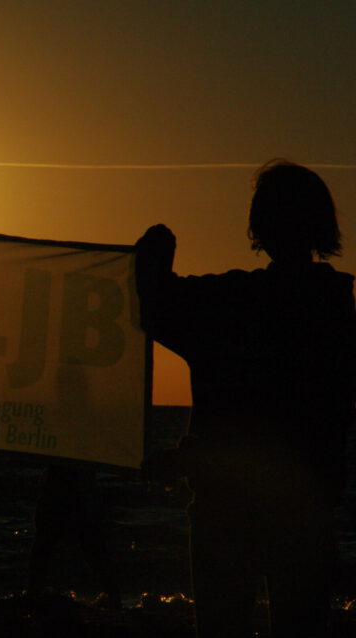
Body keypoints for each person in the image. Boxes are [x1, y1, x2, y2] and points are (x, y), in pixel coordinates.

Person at [135, 160, 356, 638]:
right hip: (307, 509)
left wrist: (155, 250)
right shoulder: (338, 311)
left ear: (257, 226)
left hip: (226, 510)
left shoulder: (231, 304)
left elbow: (150, 301)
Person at [27, 465, 122, 609]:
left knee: (44, 548)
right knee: (92, 548)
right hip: (71, 491)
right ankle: (114, 597)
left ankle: (33, 594)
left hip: (67, 491)